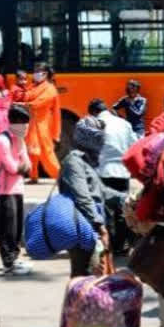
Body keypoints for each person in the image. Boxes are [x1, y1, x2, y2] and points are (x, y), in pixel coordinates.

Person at [58, 117, 124, 279]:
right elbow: (83, 197)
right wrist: (98, 224)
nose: (101, 142)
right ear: (86, 139)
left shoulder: (86, 161)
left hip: (92, 223)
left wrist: (125, 199)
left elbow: (100, 192)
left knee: (94, 276)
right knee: (85, 275)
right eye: (97, 138)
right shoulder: (74, 162)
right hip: (83, 226)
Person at [89, 98, 137, 255]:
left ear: (94, 112)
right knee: (123, 209)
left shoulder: (93, 124)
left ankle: (109, 245)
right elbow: (134, 145)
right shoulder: (124, 123)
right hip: (123, 172)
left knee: (106, 210)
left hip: (103, 172)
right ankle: (121, 245)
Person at [0, 105, 33, 275]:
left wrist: (21, 167)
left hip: (18, 188)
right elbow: (12, 167)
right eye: (22, 122)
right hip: (5, 189)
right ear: (14, 122)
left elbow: (28, 166)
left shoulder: (19, 139)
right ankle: (8, 262)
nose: (25, 126)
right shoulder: (2, 141)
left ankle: (14, 259)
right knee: (7, 228)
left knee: (17, 228)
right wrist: (21, 167)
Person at [18, 63, 61, 182]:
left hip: (43, 125)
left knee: (46, 152)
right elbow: (27, 96)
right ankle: (33, 175)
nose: (35, 73)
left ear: (45, 74)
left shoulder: (50, 88)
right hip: (33, 123)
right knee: (32, 151)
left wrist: (24, 104)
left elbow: (39, 103)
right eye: (35, 70)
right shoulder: (34, 86)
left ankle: (60, 176)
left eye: (38, 71)